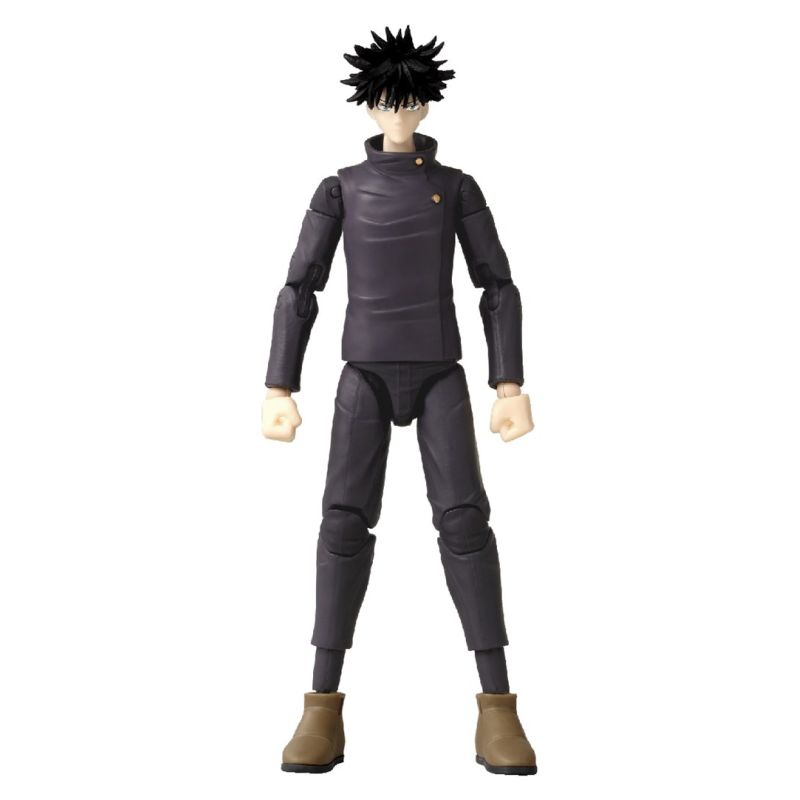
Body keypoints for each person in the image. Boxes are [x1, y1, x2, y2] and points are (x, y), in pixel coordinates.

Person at [262, 25, 537, 775]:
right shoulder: (340, 189)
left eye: (409, 99)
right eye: (387, 99)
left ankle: (498, 707)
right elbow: (300, 286)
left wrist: (508, 382)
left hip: (440, 370)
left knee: (466, 524)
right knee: (342, 525)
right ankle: (320, 707)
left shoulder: (458, 188)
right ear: (369, 104)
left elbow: (496, 284)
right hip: (365, 372)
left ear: (426, 103)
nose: (398, 111)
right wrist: (280, 382)